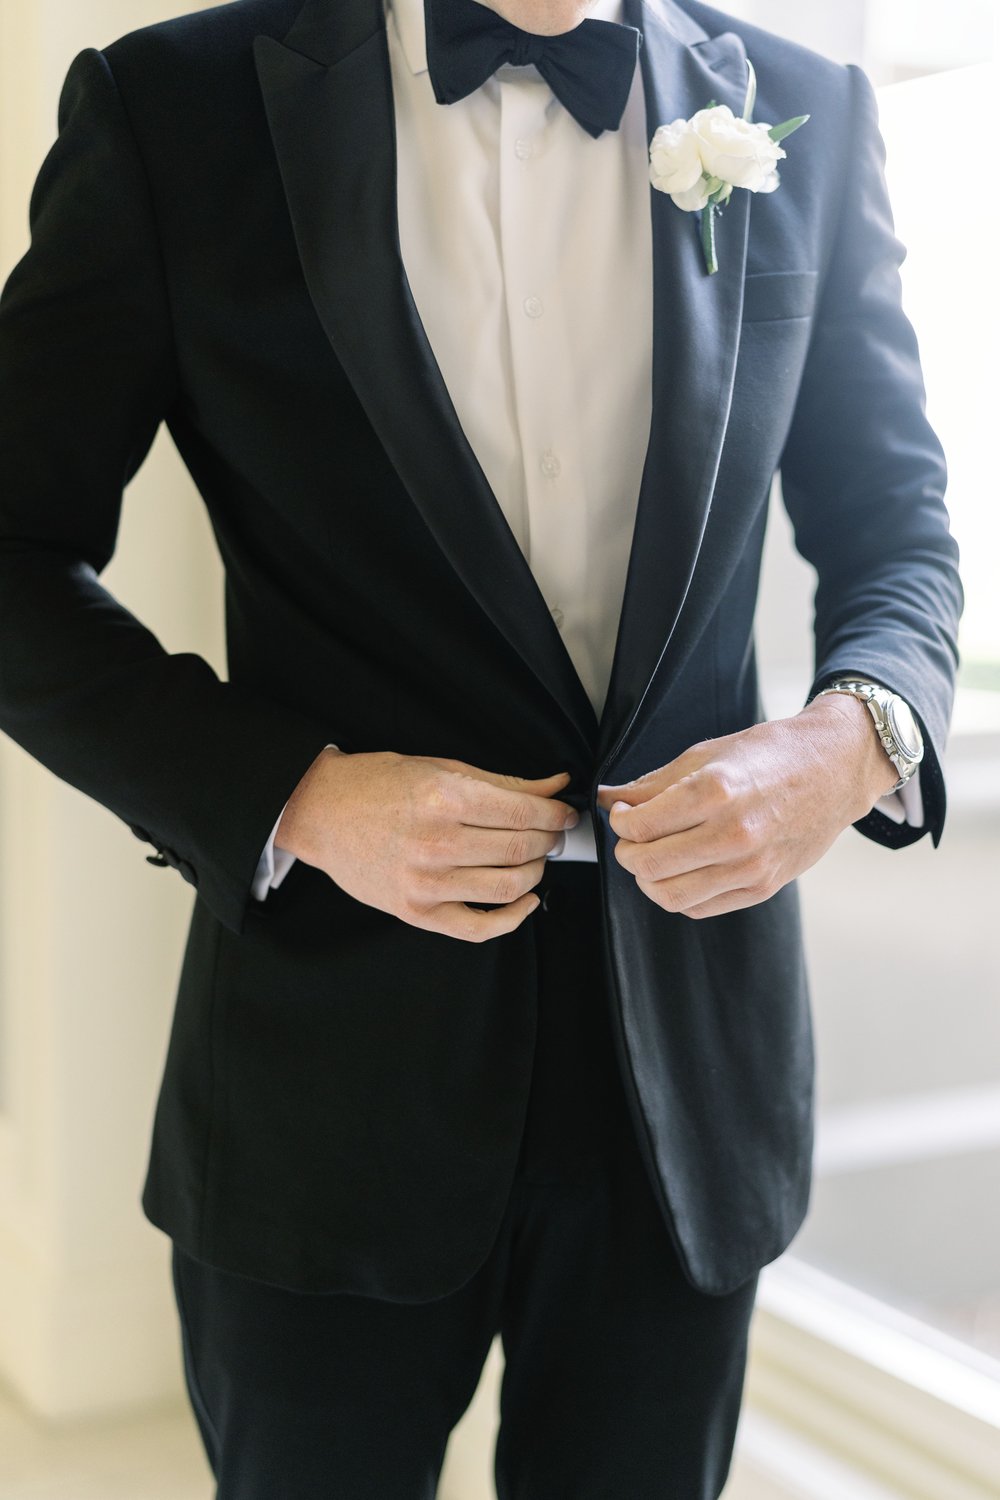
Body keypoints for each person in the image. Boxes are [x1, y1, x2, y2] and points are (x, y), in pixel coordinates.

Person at [0, 0, 962, 1494]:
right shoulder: (173, 109)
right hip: (331, 1082)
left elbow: (898, 532)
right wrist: (293, 795)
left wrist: (853, 741)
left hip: (685, 1098)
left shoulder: (803, 111)